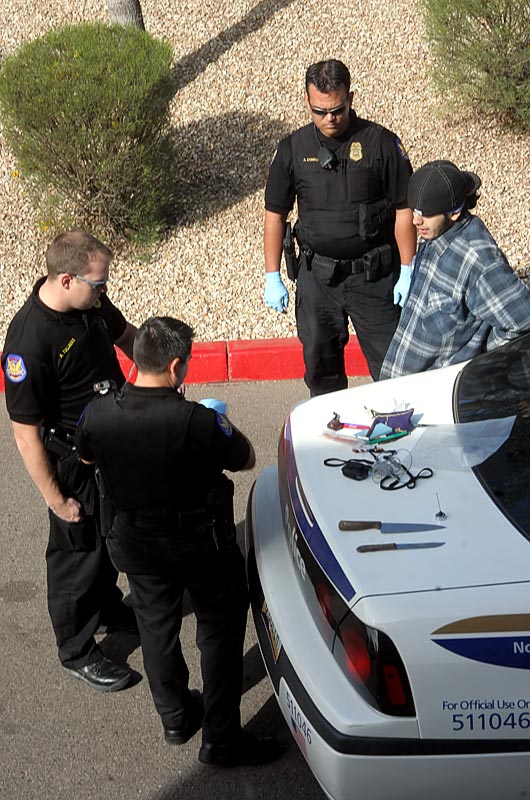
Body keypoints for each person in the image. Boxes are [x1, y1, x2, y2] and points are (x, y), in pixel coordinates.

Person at [74, 316, 285, 767]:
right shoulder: (195, 420)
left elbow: (86, 452)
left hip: (134, 542)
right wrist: (218, 420)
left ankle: (174, 717)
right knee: (219, 632)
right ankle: (221, 737)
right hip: (199, 545)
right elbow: (245, 457)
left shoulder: (100, 410)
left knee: (156, 628)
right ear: (174, 367)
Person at [1, 230, 138, 692]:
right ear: (65, 279)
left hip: (111, 449)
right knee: (76, 553)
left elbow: (126, 336)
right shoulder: (28, 342)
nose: (104, 290)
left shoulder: (90, 303)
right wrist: (56, 499)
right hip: (71, 465)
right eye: (97, 283)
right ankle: (76, 648)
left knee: (108, 537)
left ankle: (106, 607)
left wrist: (162, 369)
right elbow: (24, 435)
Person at [264, 58, 416, 395]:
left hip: (373, 277)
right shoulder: (292, 149)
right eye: (320, 111)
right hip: (318, 279)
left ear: (350, 98)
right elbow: (275, 214)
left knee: (395, 369)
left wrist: (408, 267)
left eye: (337, 109)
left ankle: (402, 436)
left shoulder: (381, 143)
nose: (329, 118)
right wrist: (271, 276)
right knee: (322, 372)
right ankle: (330, 439)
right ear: (307, 101)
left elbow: (405, 209)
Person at [379, 160, 530, 379]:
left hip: (438, 394)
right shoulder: (435, 232)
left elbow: (522, 321)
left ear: (455, 212)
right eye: (414, 210)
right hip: (403, 387)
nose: (415, 221)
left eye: (425, 214)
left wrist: (480, 359)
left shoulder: (478, 260)